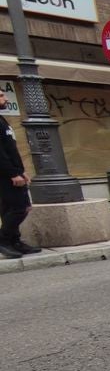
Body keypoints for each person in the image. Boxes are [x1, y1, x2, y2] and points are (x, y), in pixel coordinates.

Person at [0, 90, 39, 259]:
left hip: (13, 171)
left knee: (10, 208)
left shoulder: (2, 120)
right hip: (5, 174)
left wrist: (21, 171)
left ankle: (14, 241)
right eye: (1, 95)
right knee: (20, 208)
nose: (5, 98)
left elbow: (11, 150)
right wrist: (13, 174)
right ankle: (3, 240)